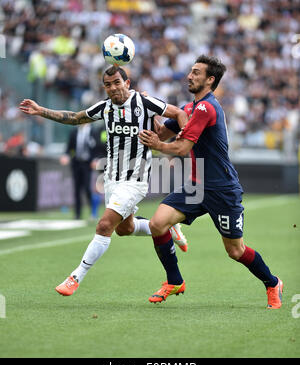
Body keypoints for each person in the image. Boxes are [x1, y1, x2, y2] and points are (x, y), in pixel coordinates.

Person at [19, 65, 189, 296]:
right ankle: (169, 227)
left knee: (104, 225)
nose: (113, 88)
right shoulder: (105, 108)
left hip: (135, 180)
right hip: (112, 179)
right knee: (124, 229)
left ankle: (75, 276)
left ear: (127, 83)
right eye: (108, 85)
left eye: (117, 82)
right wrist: (41, 111)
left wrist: (179, 142)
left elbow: (180, 113)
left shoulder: (145, 103)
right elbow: (75, 118)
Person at [139, 55, 283, 309]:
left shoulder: (207, 108)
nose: (189, 76)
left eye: (196, 72)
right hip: (196, 185)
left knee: (235, 251)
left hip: (222, 189)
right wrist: (149, 106)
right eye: (191, 71)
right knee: (157, 223)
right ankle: (174, 281)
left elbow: (182, 148)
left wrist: (159, 146)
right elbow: (161, 131)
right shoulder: (189, 109)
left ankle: (272, 283)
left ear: (210, 79)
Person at [60, 123, 104, 220]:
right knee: (76, 189)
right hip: (76, 163)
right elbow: (69, 147)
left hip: (87, 164)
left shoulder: (93, 131)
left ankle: (93, 212)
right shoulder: (74, 131)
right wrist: (66, 155)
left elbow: (98, 148)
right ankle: (77, 214)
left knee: (87, 188)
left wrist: (96, 159)